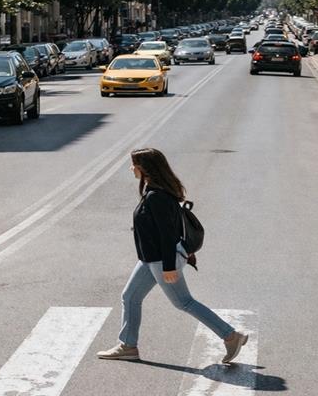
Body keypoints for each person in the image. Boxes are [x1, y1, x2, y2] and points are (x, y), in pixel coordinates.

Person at [97, 148, 249, 363]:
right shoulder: (154, 191)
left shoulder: (157, 197)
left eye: (134, 164)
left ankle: (231, 336)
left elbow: (168, 235)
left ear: (144, 168)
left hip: (161, 260)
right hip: (149, 259)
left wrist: (169, 267)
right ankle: (128, 346)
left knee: (184, 302)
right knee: (130, 297)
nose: (131, 168)